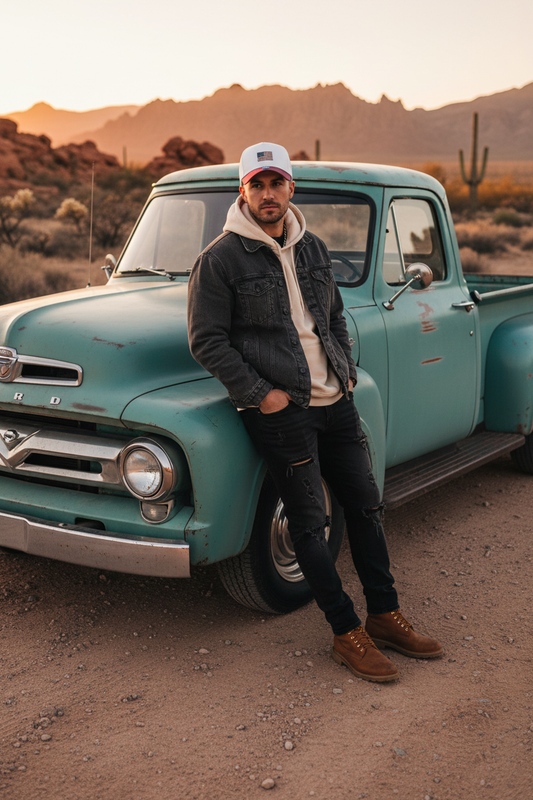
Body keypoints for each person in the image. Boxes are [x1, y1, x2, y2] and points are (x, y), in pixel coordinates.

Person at [187, 142, 443, 682]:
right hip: (282, 412)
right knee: (309, 523)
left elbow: (334, 316)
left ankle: (384, 615)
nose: (268, 194)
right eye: (257, 185)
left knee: (366, 507)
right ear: (242, 192)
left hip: (336, 401)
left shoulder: (313, 247)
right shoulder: (220, 259)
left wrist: (345, 369)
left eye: (275, 183)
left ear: (291, 188)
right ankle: (345, 631)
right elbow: (206, 341)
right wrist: (262, 394)